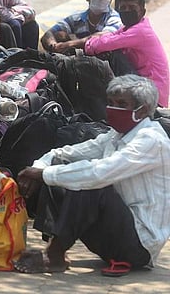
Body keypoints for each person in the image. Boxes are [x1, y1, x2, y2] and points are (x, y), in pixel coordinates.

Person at [15, 74, 170, 276]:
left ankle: (54, 254)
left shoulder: (151, 140)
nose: (114, 109)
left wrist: (43, 174)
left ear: (142, 110)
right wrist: (38, 169)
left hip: (139, 246)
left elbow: (99, 173)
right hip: (114, 235)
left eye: (122, 104)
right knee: (61, 167)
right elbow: (65, 153)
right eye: (111, 103)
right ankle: (54, 245)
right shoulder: (116, 136)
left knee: (88, 182)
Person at [84, 0, 169, 108]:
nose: (127, 11)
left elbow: (101, 44)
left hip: (153, 98)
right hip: (145, 86)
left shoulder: (140, 31)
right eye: (123, 8)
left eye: (132, 8)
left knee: (113, 54)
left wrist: (88, 43)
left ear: (142, 11)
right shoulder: (128, 29)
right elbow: (110, 36)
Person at [41, 0, 122, 53]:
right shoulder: (76, 18)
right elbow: (50, 32)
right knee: (60, 35)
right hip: (80, 59)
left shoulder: (114, 18)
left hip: (105, 62)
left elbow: (103, 38)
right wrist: (53, 45)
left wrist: (69, 44)